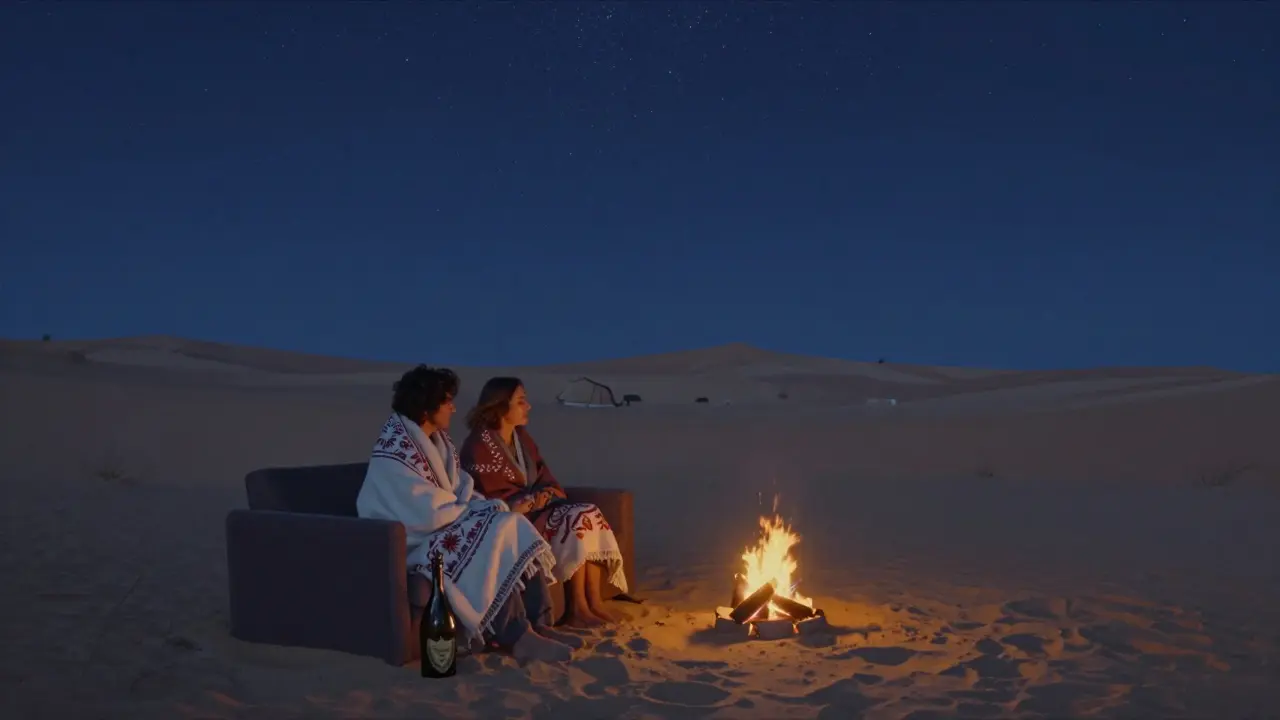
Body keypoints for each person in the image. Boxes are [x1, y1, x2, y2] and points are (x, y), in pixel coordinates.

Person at [356, 365, 576, 663]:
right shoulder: (396, 449)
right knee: (490, 534)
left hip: (441, 527)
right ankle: (518, 636)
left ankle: (539, 624)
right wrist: (471, 512)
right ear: (427, 405)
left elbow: (458, 488)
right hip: (411, 543)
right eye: (447, 401)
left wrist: (481, 507)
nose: (453, 407)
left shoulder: (438, 442)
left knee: (510, 523)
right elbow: (419, 510)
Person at [460, 377, 627, 627]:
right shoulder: (478, 446)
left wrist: (543, 495)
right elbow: (489, 496)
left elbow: (546, 479)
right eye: (521, 401)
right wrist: (530, 500)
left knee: (588, 512)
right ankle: (577, 609)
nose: (528, 406)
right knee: (575, 518)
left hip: (540, 510)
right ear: (500, 406)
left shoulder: (522, 440)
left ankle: (593, 602)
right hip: (512, 523)